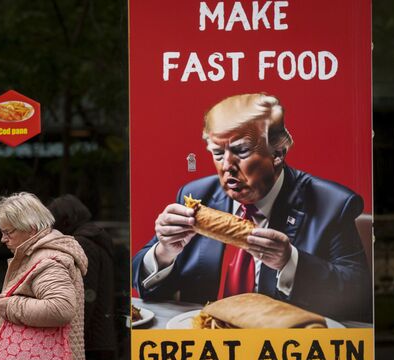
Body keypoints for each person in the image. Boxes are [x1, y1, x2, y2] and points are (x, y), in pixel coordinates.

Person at [132, 93, 372, 322]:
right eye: (217, 153)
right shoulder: (197, 195)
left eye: (241, 151)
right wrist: (164, 252)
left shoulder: (332, 204)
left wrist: (290, 261)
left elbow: (357, 294)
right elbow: (145, 285)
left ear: (277, 152)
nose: (227, 166)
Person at [0, 192, 89, 360]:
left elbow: (60, 308)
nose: (3, 239)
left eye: (8, 232)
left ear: (31, 229)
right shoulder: (38, 254)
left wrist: (9, 305)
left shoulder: (48, 260)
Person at [49, 194, 117, 360]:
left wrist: (73, 338)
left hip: (90, 341)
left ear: (65, 221)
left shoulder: (83, 244)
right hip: (100, 338)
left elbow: (85, 295)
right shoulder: (94, 239)